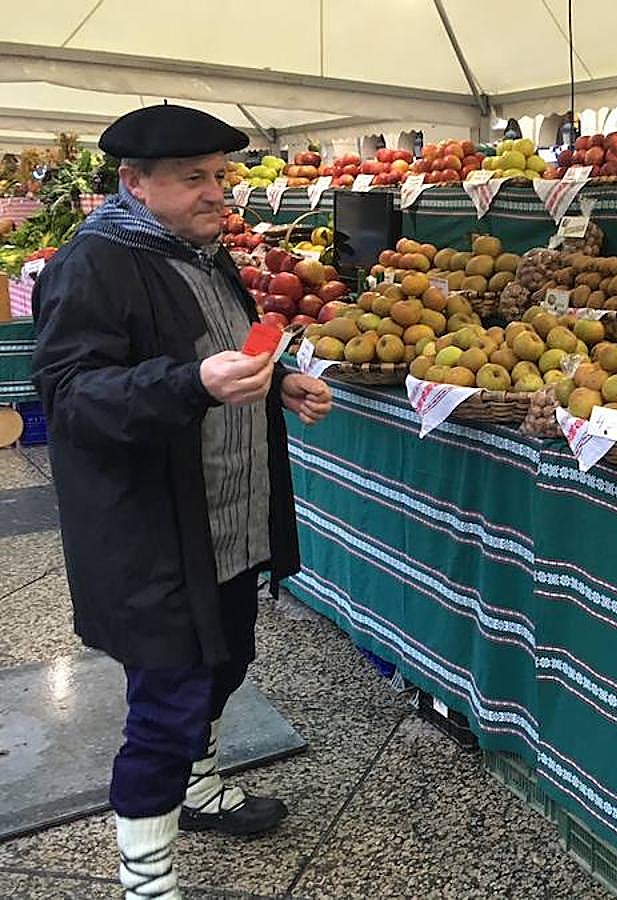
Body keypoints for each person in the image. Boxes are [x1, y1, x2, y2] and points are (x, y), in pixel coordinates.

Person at [31, 104, 333, 900]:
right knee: (165, 703)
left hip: (226, 521)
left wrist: (279, 387)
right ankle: (146, 878)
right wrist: (191, 383)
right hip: (152, 533)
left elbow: (227, 354)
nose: (216, 192)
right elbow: (70, 397)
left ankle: (196, 795)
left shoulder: (200, 253)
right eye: (194, 178)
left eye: (220, 175)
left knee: (226, 663)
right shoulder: (95, 263)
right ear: (134, 182)